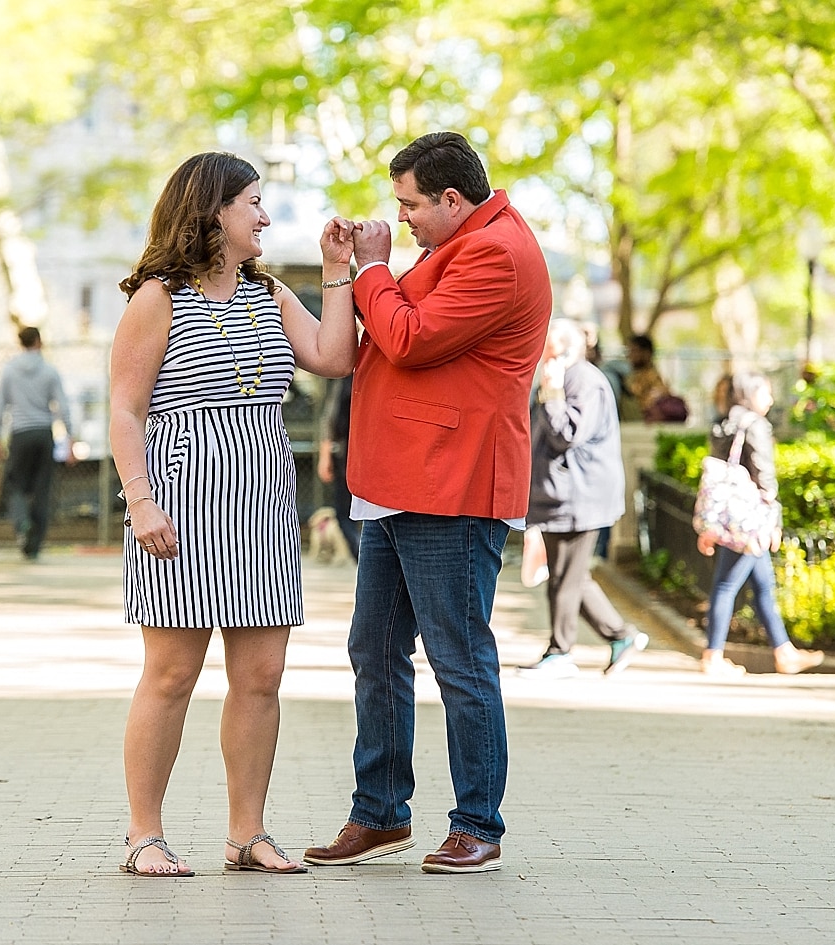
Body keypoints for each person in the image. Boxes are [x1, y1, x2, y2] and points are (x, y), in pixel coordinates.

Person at [302, 131, 551, 875]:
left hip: (452, 481)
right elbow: (385, 322)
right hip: (400, 479)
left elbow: (406, 338)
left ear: (451, 197)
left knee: (458, 657)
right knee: (373, 649)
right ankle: (379, 813)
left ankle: (478, 821)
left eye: (410, 203)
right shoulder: (457, 245)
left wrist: (375, 266)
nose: (402, 216)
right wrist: (349, 271)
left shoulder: (496, 252)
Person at [108, 152, 357, 877]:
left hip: (265, 498)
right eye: (253, 201)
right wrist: (140, 497)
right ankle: (143, 834)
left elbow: (334, 356)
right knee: (171, 673)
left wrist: (338, 268)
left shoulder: (269, 292)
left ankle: (246, 831)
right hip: (180, 501)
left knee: (262, 674)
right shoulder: (157, 296)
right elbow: (125, 407)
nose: (265, 215)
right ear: (212, 209)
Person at [517, 318, 648, 679]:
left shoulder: (585, 382)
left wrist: (554, 395)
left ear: (562, 349)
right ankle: (621, 635)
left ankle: (561, 651)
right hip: (557, 495)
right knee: (568, 574)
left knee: (565, 576)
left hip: (579, 497)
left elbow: (566, 435)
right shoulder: (555, 379)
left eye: (544, 344)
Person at [697, 371, 824, 677]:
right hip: (750, 521)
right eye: (765, 392)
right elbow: (764, 476)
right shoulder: (755, 425)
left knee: (763, 584)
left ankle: (784, 652)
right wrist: (772, 520)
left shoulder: (724, 422)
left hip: (731, 519)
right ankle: (713, 656)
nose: (770, 399)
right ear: (751, 394)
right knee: (727, 585)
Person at [0, 326, 74, 561]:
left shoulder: (9, 371)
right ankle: (34, 546)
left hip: (19, 433)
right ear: (38, 341)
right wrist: (70, 436)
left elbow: (0, 406)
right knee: (42, 488)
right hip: (43, 433)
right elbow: (62, 405)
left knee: (16, 484)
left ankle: (22, 523)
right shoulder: (50, 371)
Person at [315, 375, 358, 561]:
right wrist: (325, 456)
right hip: (346, 453)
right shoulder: (345, 379)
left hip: (362, 453)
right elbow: (330, 420)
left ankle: (362, 556)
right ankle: (360, 556)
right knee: (344, 513)